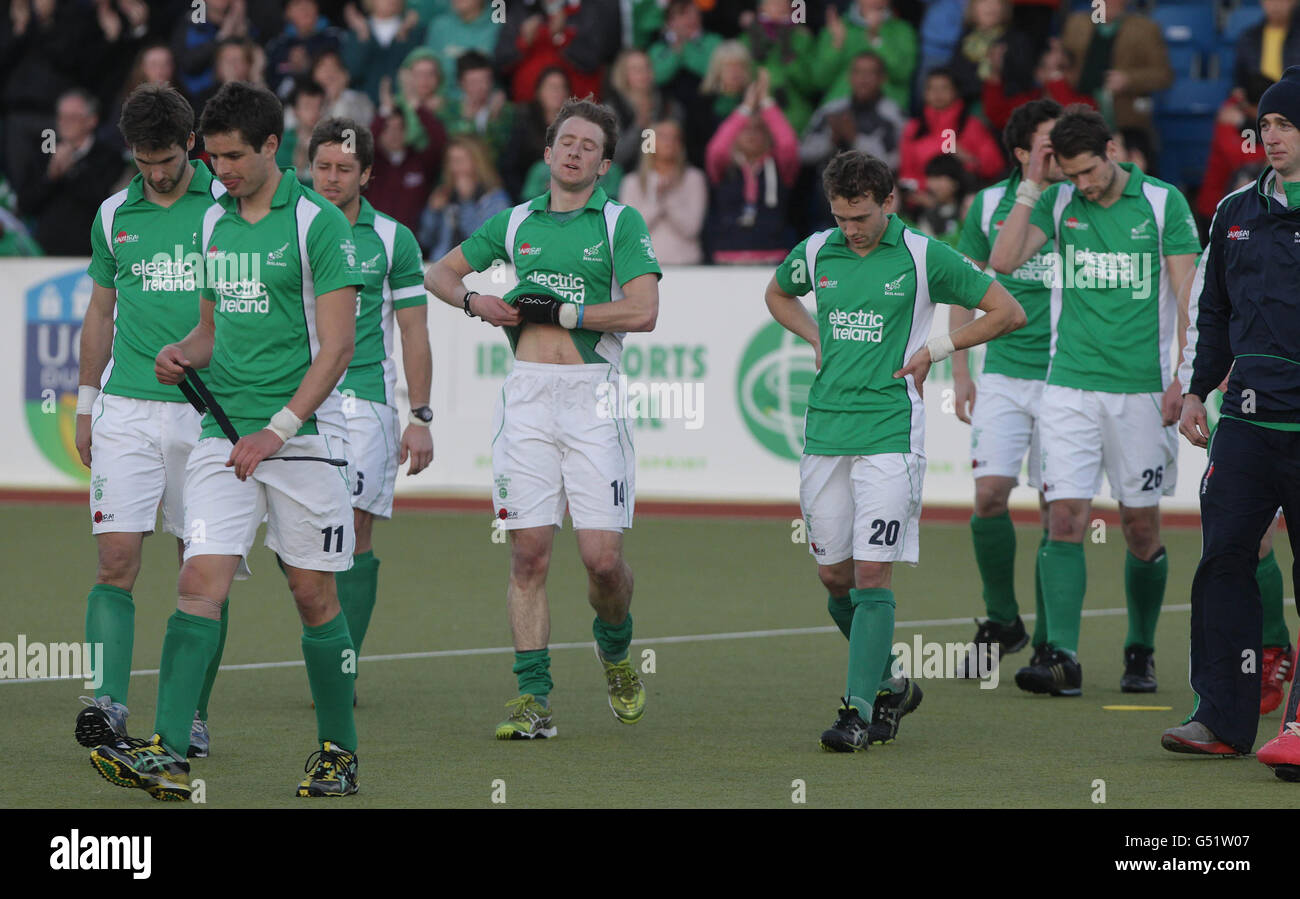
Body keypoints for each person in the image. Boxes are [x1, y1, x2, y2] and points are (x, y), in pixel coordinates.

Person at [90, 81, 363, 800]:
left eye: (234, 156)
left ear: (273, 146)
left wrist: (277, 432)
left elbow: (336, 349)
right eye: (212, 157)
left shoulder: (317, 226)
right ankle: (169, 753)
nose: (222, 170)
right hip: (222, 436)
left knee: (312, 596)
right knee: (197, 581)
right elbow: (210, 332)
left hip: (300, 438)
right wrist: (183, 350)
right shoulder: (213, 224)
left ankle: (339, 752)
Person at [764, 149, 1025, 752]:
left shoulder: (923, 255)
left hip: (890, 433)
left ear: (889, 202)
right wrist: (814, 335)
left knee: (872, 572)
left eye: (861, 217)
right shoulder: (815, 249)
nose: (850, 230)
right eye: (840, 218)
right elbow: (777, 295)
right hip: (825, 430)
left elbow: (1005, 311)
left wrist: (936, 350)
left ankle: (855, 712)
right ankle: (890, 684)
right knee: (834, 576)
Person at [424, 95, 661, 740]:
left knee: (602, 561)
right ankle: (534, 700)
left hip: (593, 397)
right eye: (566, 141)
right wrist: (478, 301)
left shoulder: (620, 224)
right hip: (527, 395)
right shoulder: (516, 219)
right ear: (548, 151)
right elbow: (438, 273)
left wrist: (563, 314)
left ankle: (615, 650)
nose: (575, 152)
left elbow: (643, 311)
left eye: (589, 146)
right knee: (528, 554)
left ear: (605, 163)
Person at [989, 104, 1201, 697]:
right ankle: (1061, 657)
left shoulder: (1163, 204)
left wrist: (1183, 378)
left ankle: (1141, 650)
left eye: (1087, 172)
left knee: (1139, 527)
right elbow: (1002, 261)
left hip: (1141, 391)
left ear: (1112, 150)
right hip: (1069, 387)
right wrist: (1034, 183)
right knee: (1064, 515)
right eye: (1071, 174)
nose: (1081, 184)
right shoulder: (1059, 202)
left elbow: (1189, 298)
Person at [74, 83, 229, 761]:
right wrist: (84, 403)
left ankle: (190, 712)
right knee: (115, 560)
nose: (157, 172)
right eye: (144, 162)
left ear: (190, 145)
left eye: (166, 159)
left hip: (208, 415)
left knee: (200, 567)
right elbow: (101, 312)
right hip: (126, 412)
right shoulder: (114, 215)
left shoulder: (228, 210)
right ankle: (106, 704)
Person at [1162, 67, 1300, 767]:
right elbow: (1211, 309)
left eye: (1284, 125)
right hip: (1244, 422)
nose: (1269, 135)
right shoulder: (1234, 210)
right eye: (1266, 125)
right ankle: (1220, 717)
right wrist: (1194, 391)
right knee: (1222, 562)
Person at [309, 117, 434, 687]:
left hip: (364, 402)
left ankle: (341, 667)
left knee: (356, 527)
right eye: (323, 167)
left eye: (344, 169)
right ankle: (325, 628)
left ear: (366, 175)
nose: (332, 179)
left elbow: (413, 332)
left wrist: (421, 416)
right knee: (306, 537)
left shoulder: (392, 239)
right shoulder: (284, 227)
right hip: (290, 398)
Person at [950, 98, 1063, 677]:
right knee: (990, 494)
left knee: (1056, 508)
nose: (1058, 151)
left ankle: (1052, 641)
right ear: (1022, 153)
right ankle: (1002, 621)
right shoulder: (988, 204)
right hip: (1003, 374)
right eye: (1047, 142)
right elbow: (960, 285)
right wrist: (961, 370)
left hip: (1067, 378)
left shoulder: (1078, 200)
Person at [16, 89, 128, 257]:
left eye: (73, 118)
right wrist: (51, 177)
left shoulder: (109, 157)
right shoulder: (44, 154)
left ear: (91, 121)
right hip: (44, 254)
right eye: (61, 117)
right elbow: (25, 204)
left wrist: (72, 171)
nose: (64, 123)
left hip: (90, 253)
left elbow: (103, 201)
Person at [618, 118, 708, 265]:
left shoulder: (694, 178)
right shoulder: (632, 182)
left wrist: (668, 199)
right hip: (644, 267)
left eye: (675, 137)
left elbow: (691, 228)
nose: (670, 142)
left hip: (687, 265)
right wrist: (656, 199)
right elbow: (631, 231)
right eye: (662, 136)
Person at [420, 134, 511, 260]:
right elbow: (425, 240)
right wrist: (432, 212)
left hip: (480, 273)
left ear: (478, 162)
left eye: (461, 160)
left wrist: (466, 201)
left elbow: (484, 244)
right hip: (441, 266)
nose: (455, 167)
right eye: (451, 161)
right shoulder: (445, 193)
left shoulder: (495, 199)